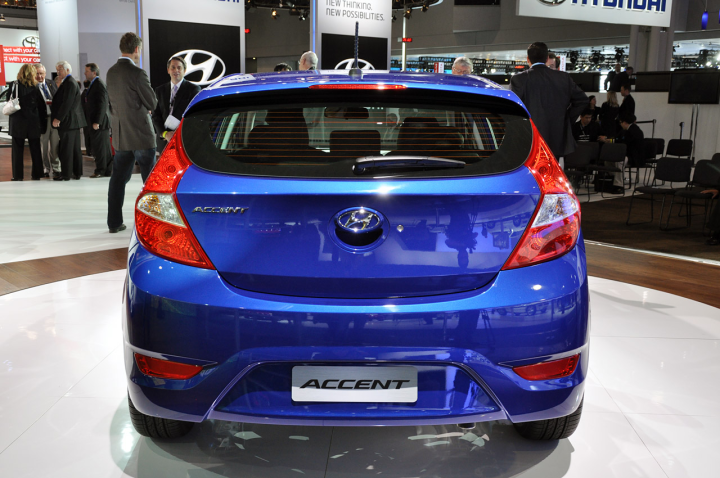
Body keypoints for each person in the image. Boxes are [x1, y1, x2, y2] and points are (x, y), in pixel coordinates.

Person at [106, 32, 158, 234]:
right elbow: (152, 102)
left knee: (117, 181)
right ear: (136, 49)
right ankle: (153, 224)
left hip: (121, 137)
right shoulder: (138, 73)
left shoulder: (110, 72)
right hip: (141, 136)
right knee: (150, 184)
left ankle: (114, 223)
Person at [510, 41, 588, 161]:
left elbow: (513, 108)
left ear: (528, 59)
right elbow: (582, 100)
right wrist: (566, 119)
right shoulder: (563, 78)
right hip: (557, 137)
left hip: (529, 138)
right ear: (547, 58)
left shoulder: (519, 79)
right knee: (553, 170)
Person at [152, 56, 201, 154]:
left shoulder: (193, 89)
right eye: (173, 67)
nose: (176, 70)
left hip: (184, 141)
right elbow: (155, 115)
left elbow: (194, 116)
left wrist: (179, 134)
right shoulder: (159, 90)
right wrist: (165, 134)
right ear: (168, 70)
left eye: (179, 68)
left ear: (184, 71)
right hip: (164, 142)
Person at [8, 64, 47, 181]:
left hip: (17, 121)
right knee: (35, 149)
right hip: (33, 122)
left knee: (17, 150)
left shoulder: (14, 85)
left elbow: (9, 100)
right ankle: (37, 174)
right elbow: (42, 106)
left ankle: (18, 176)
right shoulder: (35, 87)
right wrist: (43, 124)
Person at [51, 61, 87, 181]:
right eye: (57, 70)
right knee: (74, 148)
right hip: (72, 122)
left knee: (66, 148)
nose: (58, 72)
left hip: (68, 121)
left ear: (67, 70)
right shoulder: (69, 82)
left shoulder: (69, 83)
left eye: (60, 69)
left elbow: (67, 103)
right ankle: (76, 172)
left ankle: (66, 174)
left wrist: (58, 118)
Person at [598, 112, 644, 193]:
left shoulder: (634, 131)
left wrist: (609, 140)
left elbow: (624, 144)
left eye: (621, 122)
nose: (620, 124)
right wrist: (608, 139)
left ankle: (619, 185)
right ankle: (612, 179)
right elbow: (618, 139)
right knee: (607, 161)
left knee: (619, 161)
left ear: (625, 122)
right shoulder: (626, 130)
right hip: (626, 154)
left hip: (633, 157)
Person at [83, 63, 112, 178]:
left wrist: (97, 122)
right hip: (98, 122)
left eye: (87, 71)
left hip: (99, 122)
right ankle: (107, 170)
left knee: (100, 148)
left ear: (94, 72)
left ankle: (100, 170)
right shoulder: (95, 84)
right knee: (103, 147)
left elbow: (102, 104)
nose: (85, 73)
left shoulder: (99, 84)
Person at [35, 64, 61, 178]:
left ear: (45, 74)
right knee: (43, 147)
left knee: (55, 146)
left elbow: (58, 100)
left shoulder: (51, 83)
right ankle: (45, 169)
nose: (39, 76)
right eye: (37, 74)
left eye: (41, 73)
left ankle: (56, 168)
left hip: (54, 119)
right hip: (42, 120)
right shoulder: (32, 87)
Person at [81, 79, 93, 157]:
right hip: (88, 118)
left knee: (87, 135)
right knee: (89, 135)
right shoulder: (88, 94)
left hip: (85, 118)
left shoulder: (83, 93)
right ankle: (90, 151)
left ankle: (89, 151)